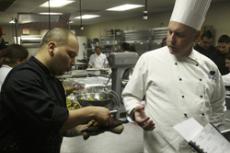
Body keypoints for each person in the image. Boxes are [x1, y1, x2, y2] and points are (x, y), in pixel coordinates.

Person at [122, 0, 226, 153]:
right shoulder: (149, 60)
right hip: (160, 147)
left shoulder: (209, 66)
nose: (171, 39)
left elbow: (217, 106)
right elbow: (130, 95)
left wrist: (216, 142)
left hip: (201, 147)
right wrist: (135, 110)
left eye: (179, 34)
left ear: (196, 36)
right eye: (169, 32)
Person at [0, 28, 117, 153]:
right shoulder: (23, 77)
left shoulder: (54, 81)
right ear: (51, 47)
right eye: (70, 55)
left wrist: (80, 128)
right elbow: (50, 118)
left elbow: (53, 126)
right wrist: (92, 112)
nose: (73, 62)